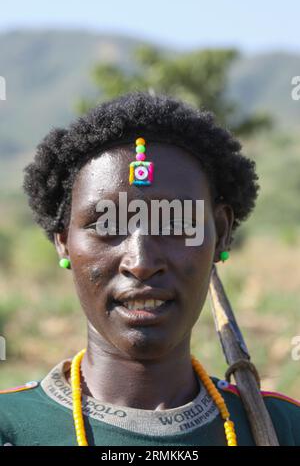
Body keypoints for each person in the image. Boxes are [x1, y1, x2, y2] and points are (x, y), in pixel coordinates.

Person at [0, 91, 299, 446]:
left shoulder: (283, 428)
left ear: (219, 233)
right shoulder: (12, 428)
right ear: (63, 240)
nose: (141, 263)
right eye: (107, 225)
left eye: (174, 224)